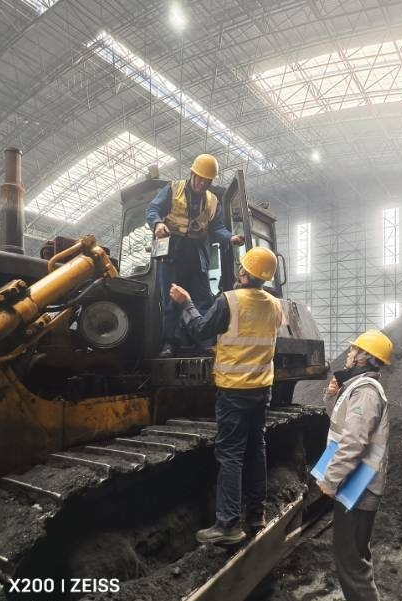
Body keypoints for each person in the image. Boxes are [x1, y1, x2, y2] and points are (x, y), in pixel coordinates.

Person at [169, 247, 284, 544]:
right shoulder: (275, 304)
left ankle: (228, 525)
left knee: (230, 454)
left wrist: (186, 303)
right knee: (256, 449)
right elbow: (252, 335)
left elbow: (199, 329)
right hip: (262, 389)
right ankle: (256, 514)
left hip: (234, 391)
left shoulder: (229, 300)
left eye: (240, 268)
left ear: (244, 273)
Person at [316, 330, 394, 601]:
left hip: (359, 487)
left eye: (353, 350)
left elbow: (354, 442)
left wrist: (330, 480)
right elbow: (343, 425)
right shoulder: (357, 387)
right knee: (353, 560)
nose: (348, 353)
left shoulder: (366, 393)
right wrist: (331, 396)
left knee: (353, 567)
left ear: (364, 358)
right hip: (355, 483)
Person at [146, 153, 244, 357]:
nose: (203, 183)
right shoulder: (173, 189)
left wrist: (230, 238)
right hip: (171, 255)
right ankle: (169, 343)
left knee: (203, 299)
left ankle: (204, 343)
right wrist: (158, 224)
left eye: (207, 180)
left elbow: (217, 228)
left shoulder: (212, 201)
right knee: (171, 300)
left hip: (197, 256)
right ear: (192, 174)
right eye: (200, 178)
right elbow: (153, 209)